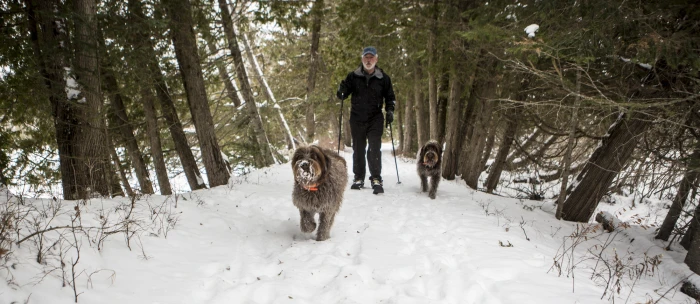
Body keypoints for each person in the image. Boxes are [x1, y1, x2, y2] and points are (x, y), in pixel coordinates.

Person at [336, 46, 396, 194]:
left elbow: (390, 97)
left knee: (374, 147)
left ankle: (376, 178)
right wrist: (341, 90)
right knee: (358, 148)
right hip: (357, 118)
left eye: (371, 58)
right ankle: (358, 177)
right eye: (366, 57)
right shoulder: (353, 76)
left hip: (375, 118)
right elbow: (343, 95)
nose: (368, 60)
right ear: (362, 59)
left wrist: (390, 110)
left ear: (376, 59)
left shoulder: (383, 78)